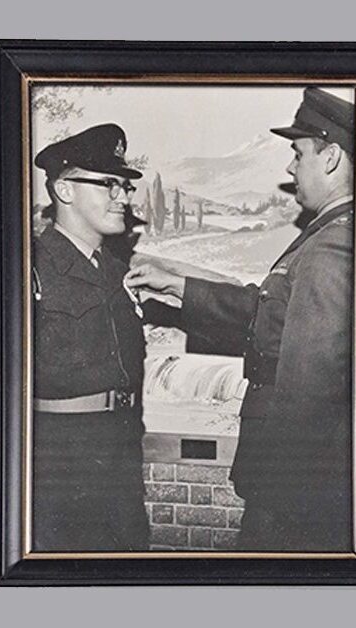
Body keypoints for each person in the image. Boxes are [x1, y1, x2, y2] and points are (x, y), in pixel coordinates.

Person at [125, 87, 354, 551]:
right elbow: (269, 312)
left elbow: (311, 382)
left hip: (295, 483)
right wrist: (180, 286)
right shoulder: (328, 236)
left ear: (330, 158)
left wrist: (288, 489)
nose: (291, 168)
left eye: (299, 153)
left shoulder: (332, 247)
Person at [31, 123, 149, 551]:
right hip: (61, 464)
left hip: (121, 449)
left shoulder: (117, 273)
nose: (123, 197)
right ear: (65, 190)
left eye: (124, 187)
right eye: (108, 185)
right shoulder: (31, 269)